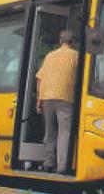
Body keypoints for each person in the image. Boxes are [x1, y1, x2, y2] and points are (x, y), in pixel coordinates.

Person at [36, 29, 79, 173]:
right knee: (64, 133)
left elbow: (39, 78)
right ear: (72, 42)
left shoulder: (49, 56)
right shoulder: (76, 56)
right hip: (65, 99)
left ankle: (48, 162)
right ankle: (62, 167)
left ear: (60, 41)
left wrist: (39, 99)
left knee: (49, 132)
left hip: (47, 97)